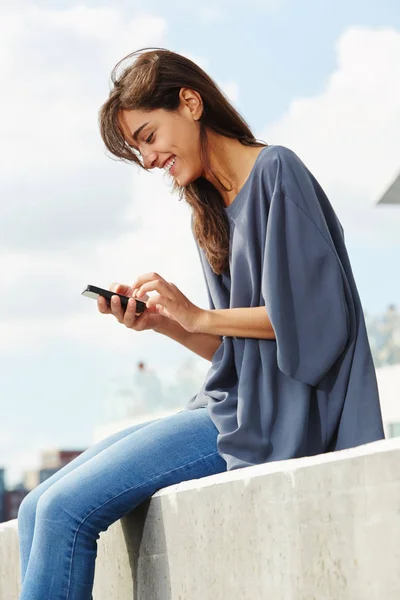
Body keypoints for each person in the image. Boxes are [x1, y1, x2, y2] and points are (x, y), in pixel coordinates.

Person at [17, 48, 385, 599]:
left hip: (274, 422)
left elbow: (317, 325)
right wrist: (166, 325)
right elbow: (236, 355)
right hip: (232, 405)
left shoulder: (276, 170)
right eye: (137, 149)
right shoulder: (209, 213)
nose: (148, 159)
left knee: (67, 510)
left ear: (189, 103)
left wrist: (197, 313)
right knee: (34, 507)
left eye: (148, 135)